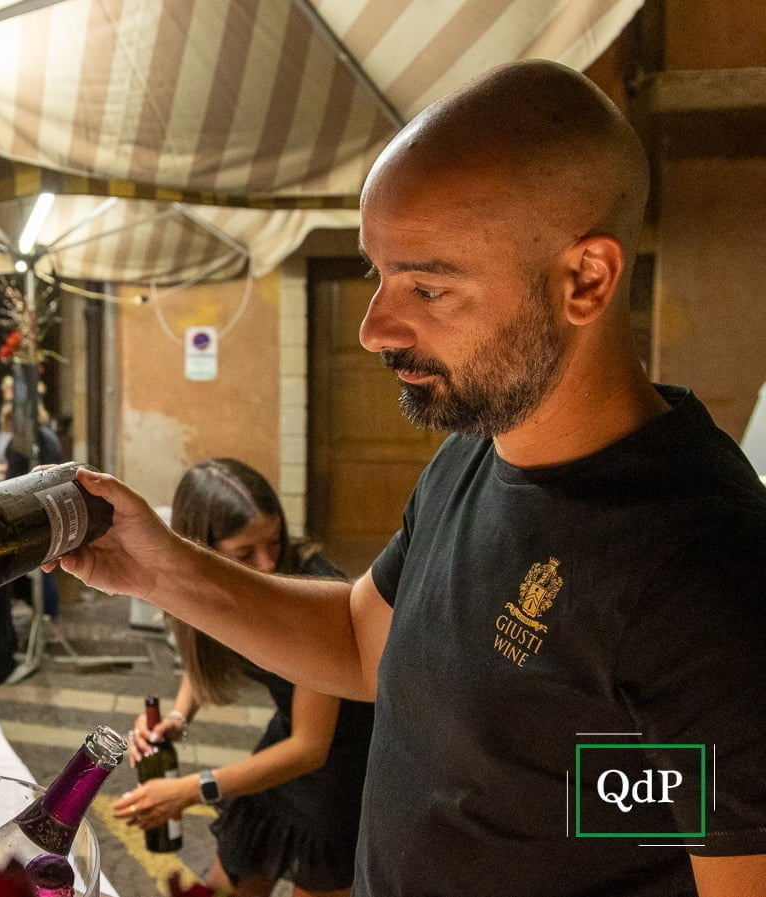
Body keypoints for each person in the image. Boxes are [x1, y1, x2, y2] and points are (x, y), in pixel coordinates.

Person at [55, 60, 766, 895]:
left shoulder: (704, 573)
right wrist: (154, 564)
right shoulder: (478, 445)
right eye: (377, 273)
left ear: (586, 279)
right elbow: (362, 642)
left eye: (428, 285)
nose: (375, 329)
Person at [112, 459, 370, 897]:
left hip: (345, 763)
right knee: (228, 883)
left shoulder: (310, 591)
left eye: (274, 541)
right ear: (199, 548)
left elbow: (310, 748)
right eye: (245, 553)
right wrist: (178, 716)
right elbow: (205, 650)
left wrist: (192, 790)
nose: (267, 564)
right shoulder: (198, 579)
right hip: (290, 734)